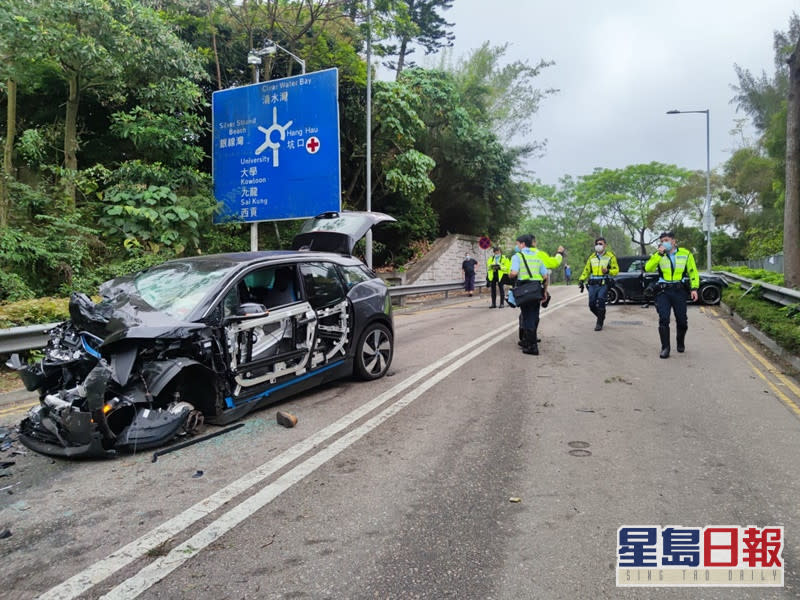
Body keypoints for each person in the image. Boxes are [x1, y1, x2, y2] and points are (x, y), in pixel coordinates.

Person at [644, 231, 699, 358]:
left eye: (667, 240)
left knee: (682, 321)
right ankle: (665, 348)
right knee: (663, 319)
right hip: (663, 291)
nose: (664, 243)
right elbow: (648, 268)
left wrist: (694, 288)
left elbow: (693, 272)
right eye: (662, 241)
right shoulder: (658, 254)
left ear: (674, 241)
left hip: (679, 290)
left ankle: (680, 341)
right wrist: (659, 254)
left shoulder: (685, 254)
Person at [510, 234, 551, 355]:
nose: (517, 246)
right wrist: (544, 292)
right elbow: (545, 276)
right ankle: (528, 342)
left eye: (517, 244)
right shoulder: (538, 257)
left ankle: (532, 346)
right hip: (536, 288)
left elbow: (514, 272)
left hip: (525, 289)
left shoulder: (517, 256)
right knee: (533, 315)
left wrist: (510, 275)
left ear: (522, 244)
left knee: (527, 317)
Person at [577, 237, 619, 331]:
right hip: (592, 283)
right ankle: (601, 316)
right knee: (591, 304)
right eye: (597, 244)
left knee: (600, 300)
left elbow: (616, 270)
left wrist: (608, 271)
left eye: (601, 244)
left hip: (603, 283)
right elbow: (586, 270)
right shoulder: (592, 257)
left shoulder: (610, 256)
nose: (598, 246)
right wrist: (581, 279)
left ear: (605, 245)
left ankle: (599, 323)